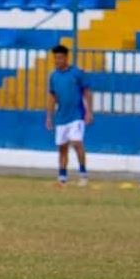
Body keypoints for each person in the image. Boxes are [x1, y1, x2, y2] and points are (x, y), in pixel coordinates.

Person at [45, 44, 93, 187]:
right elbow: (52, 96)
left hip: (77, 115)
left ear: (66, 57)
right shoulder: (53, 76)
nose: (58, 61)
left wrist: (89, 111)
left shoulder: (77, 73)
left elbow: (87, 92)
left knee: (77, 143)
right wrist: (49, 116)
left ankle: (83, 174)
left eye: (60, 57)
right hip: (61, 117)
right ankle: (62, 177)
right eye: (55, 58)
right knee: (62, 147)